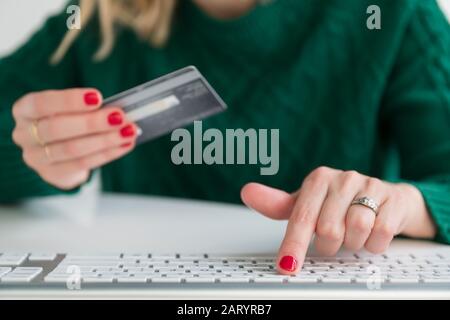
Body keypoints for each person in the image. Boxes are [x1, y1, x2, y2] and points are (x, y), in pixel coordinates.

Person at [0, 0, 449, 274]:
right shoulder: (101, 17)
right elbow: (14, 127)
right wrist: (33, 155)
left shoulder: (393, 10)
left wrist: (404, 205)